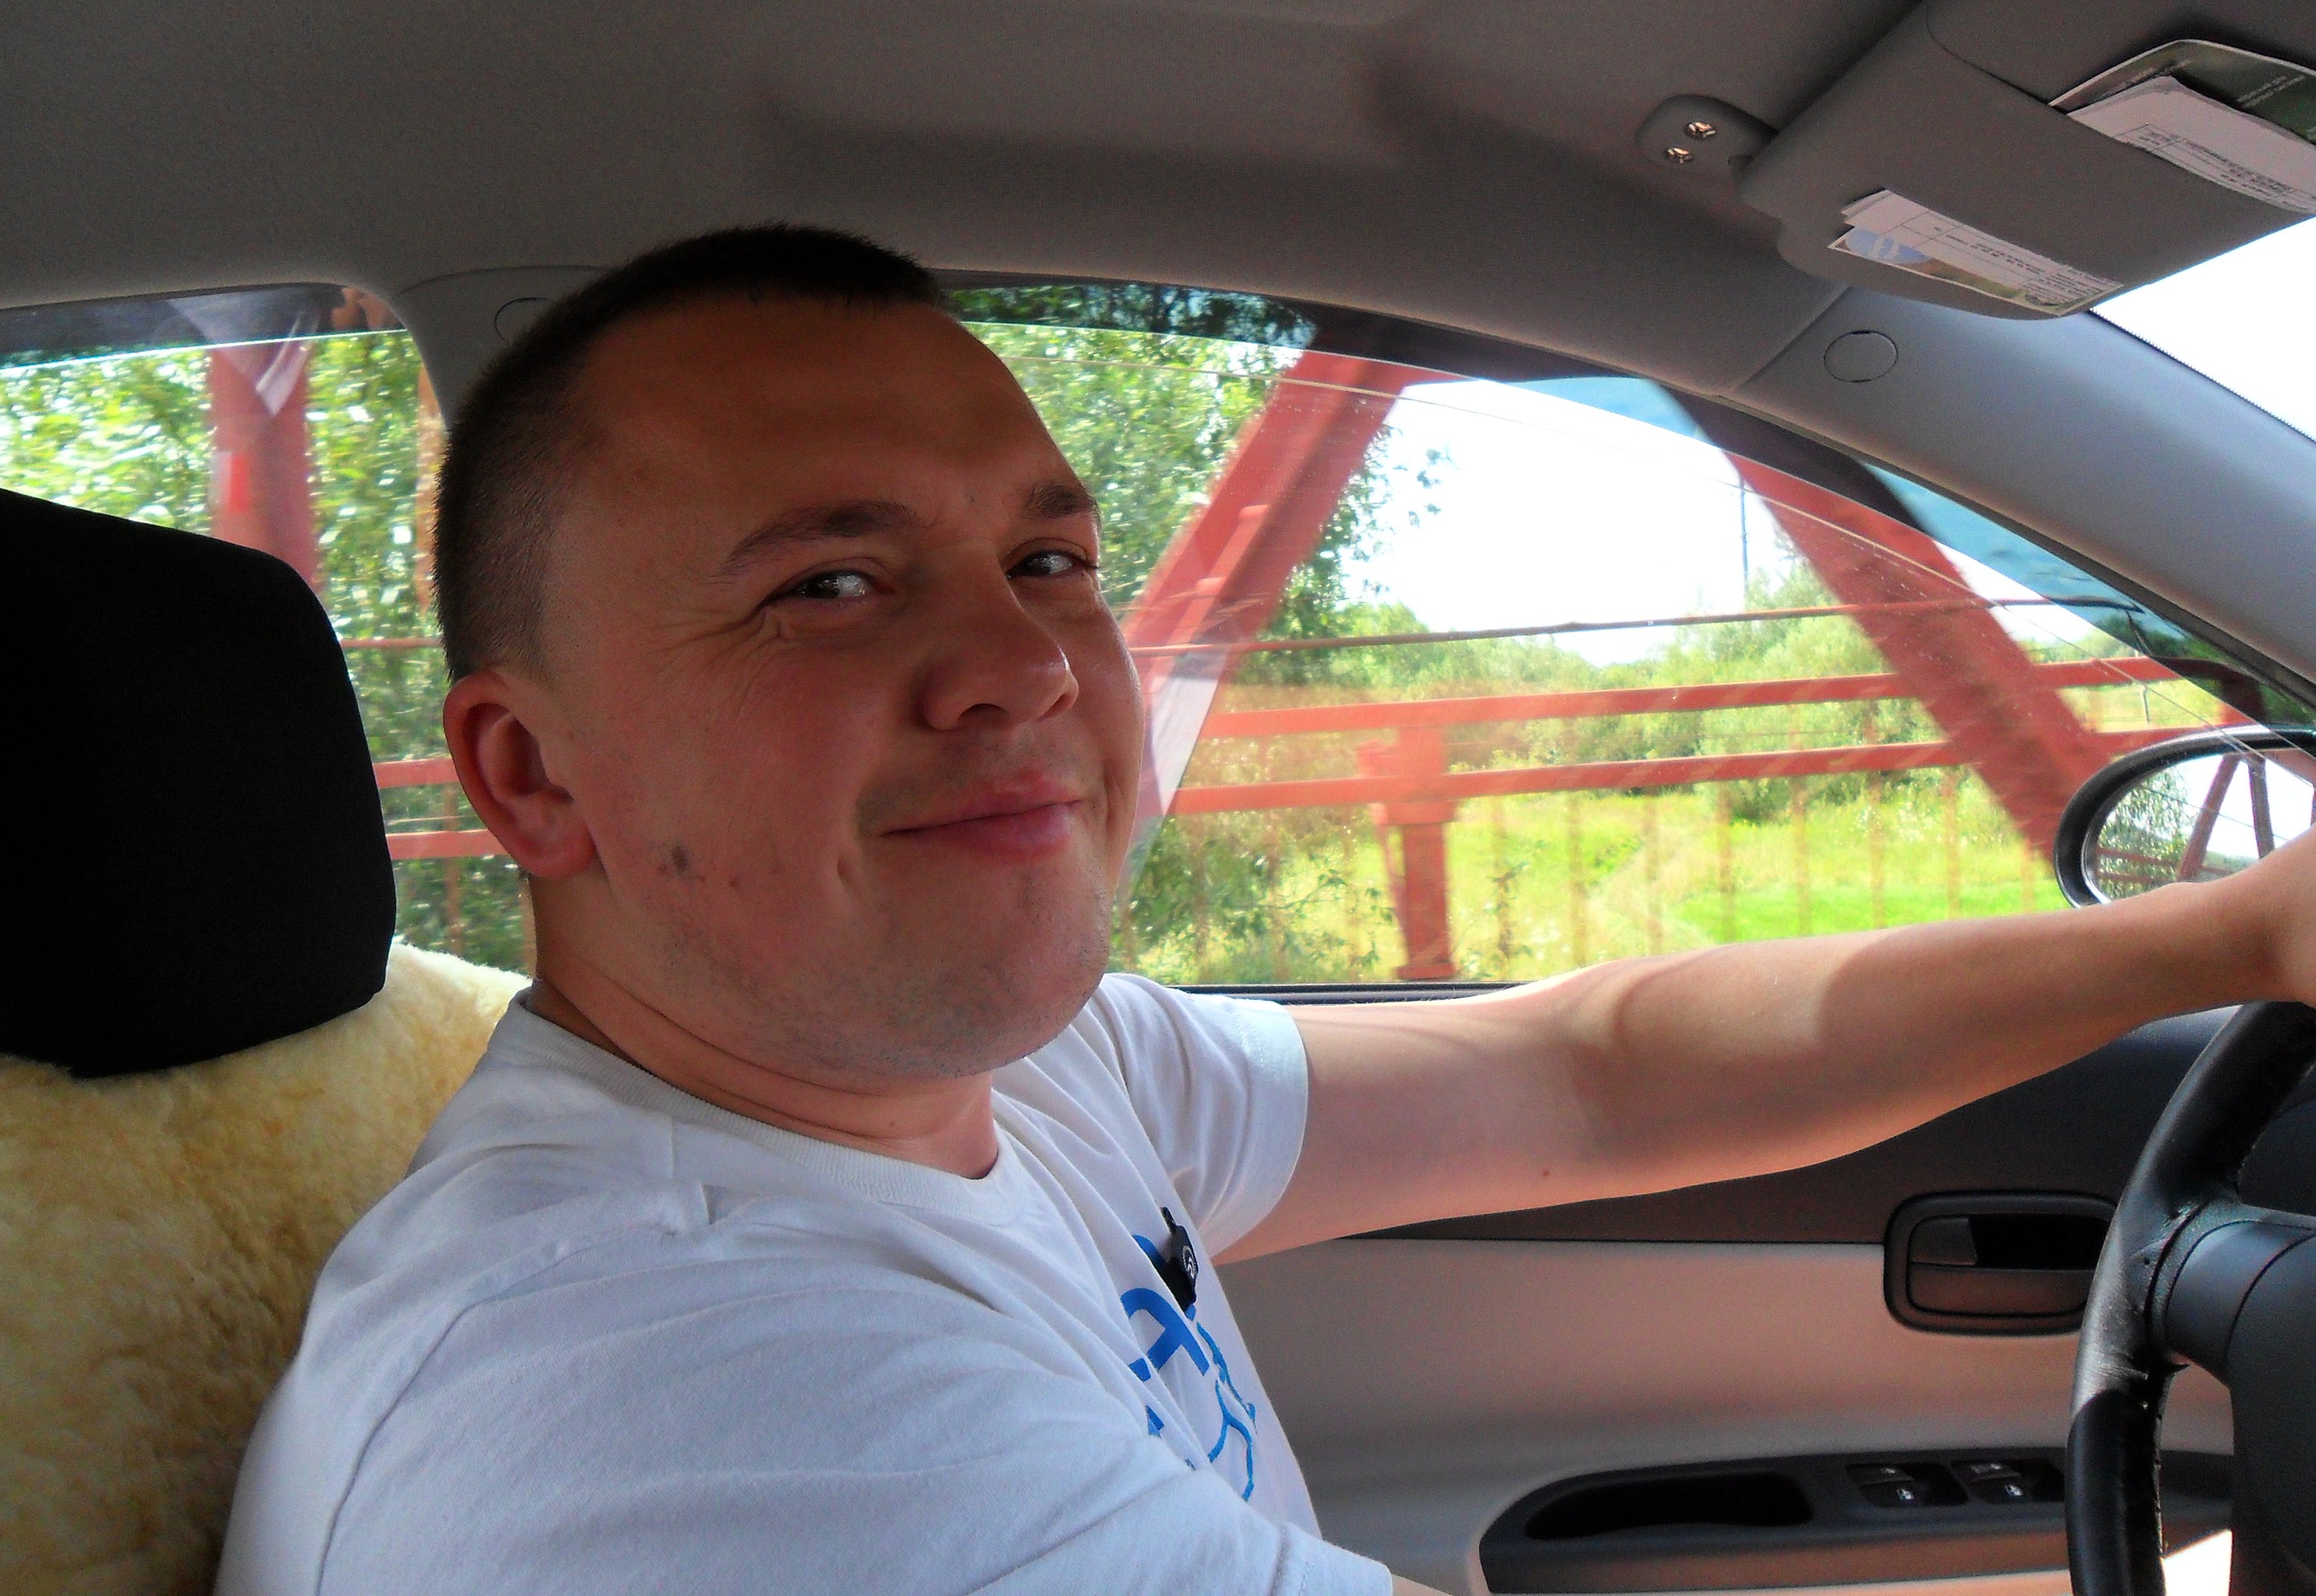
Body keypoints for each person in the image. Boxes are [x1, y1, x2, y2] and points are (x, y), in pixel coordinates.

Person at [218, 226, 2316, 1596]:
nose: (1025, 668)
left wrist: (2223, 938)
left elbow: (1583, 1073)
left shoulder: (1018, 1076)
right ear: (530, 778)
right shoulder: (671, 1396)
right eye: (827, 587)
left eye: (1047, 564)